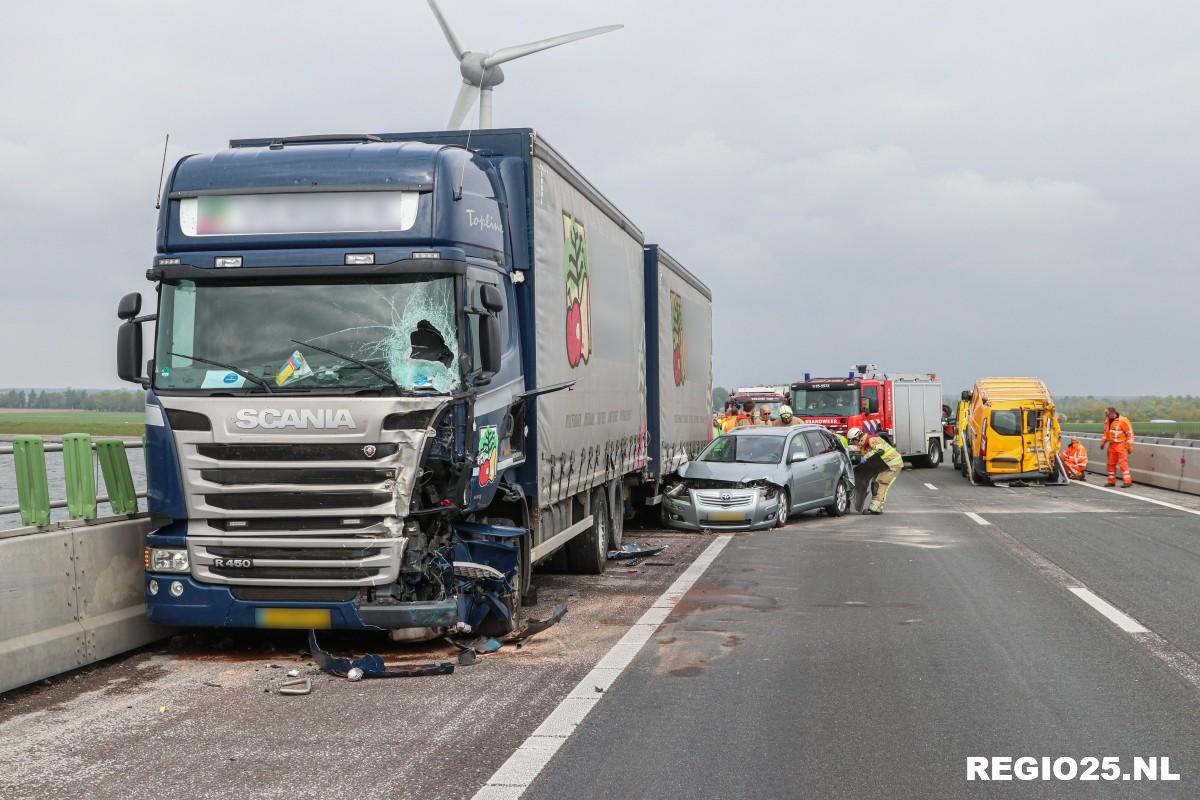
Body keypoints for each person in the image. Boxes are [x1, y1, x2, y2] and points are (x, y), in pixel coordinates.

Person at [848, 426, 903, 514]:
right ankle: (878, 507)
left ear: (858, 437)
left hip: (893, 464)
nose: (853, 442)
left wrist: (865, 458)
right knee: (875, 482)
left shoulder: (871, 439)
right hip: (885, 464)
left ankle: (875, 509)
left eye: (853, 440)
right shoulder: (864, 445)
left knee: (880, 483)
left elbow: (879, 451)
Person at [1100, 406, 1134, 487]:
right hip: (1112, 445)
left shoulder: (1123, 420)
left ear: (1112, 413)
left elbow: (1130, 434)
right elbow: (1106, 433)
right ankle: (1111, 481)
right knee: (1110, 463)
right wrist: (1103, 443)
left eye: (1107, 413)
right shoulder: (1107, 421)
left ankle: (1127, 481)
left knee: (1123, 463)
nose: (1106, 415)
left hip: (1121, 444)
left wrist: (1130, 446)